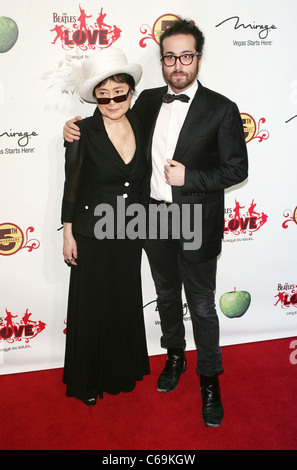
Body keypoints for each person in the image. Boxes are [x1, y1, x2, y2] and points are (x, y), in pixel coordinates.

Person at [63, 19, 248, 426]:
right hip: (151, 218)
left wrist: (192, 178)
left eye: (186, 55)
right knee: (166, 296)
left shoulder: (221, 108)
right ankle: (175, 357)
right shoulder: (145, 101)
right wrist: (72, 127)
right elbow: (109, 117)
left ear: (198, 58)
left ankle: (210, 380)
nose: (178, 64)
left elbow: (236, 170)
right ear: (161, 61)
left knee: (200, 304)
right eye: (170, 56)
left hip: (194, 220)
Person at [61, 48, 150, 406]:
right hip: (92, 233)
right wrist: (67, 230)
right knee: (93, 307)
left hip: (130, 232)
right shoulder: (81, 131)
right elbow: (72, 183)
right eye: (104, 97)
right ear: (95, 97)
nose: (113, 102)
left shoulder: (144, 123)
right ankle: (88, 381)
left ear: (131, 92)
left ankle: (120, 372)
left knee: (123, 302)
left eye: (120, 94)